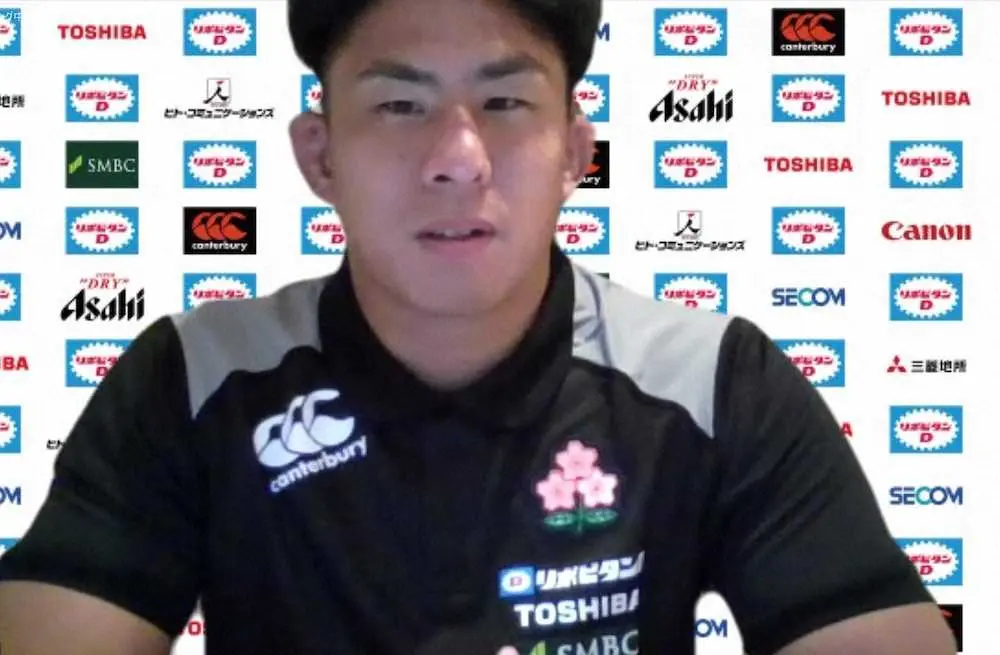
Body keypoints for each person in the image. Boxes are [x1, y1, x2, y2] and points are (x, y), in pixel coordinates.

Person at [0, 0, 958, 653]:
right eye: (400, 103)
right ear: (320, 155)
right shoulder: (196, 374)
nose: (457, 156)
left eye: (504, 101)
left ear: (574, 150)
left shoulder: (711, 380)